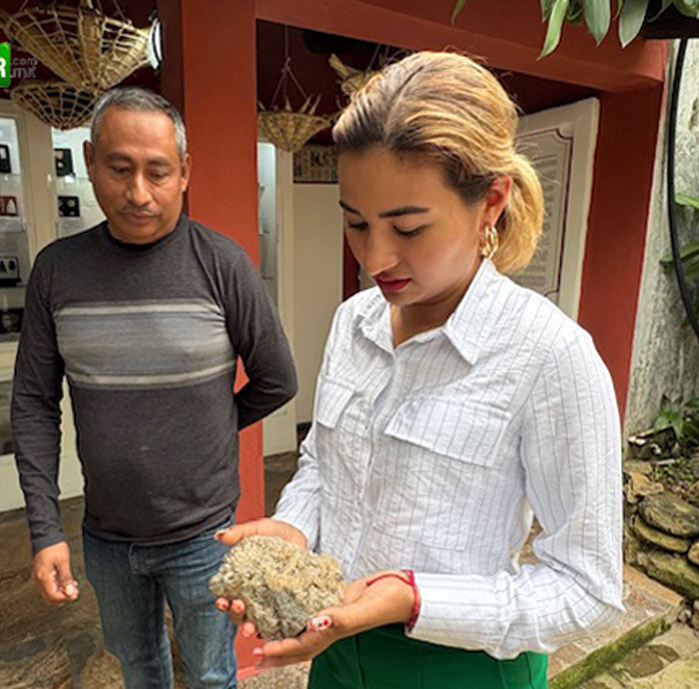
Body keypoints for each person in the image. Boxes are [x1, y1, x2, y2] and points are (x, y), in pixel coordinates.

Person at [215, 51, 623, 689]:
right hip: (338, 651)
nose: (375, 258)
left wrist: (415, 598)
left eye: (408, 228)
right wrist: (296, 527)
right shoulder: (355, 322)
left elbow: (588, 589)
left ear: (490, 202)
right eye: (356, 222)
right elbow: (324, 463)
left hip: (465, 665)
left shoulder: (549, 357)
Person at [12, 86, 297, 689]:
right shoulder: (57, 271)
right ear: (90, 162)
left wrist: (209, 425)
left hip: (204, 533)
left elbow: (278, 379)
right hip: (107, 537)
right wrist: (45, 529)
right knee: (139, 671)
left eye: (158, 172)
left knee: (213, 676)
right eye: (119, 169)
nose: (139, 193)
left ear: (185, 172)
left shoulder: (222, 264)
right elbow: (34, 404)